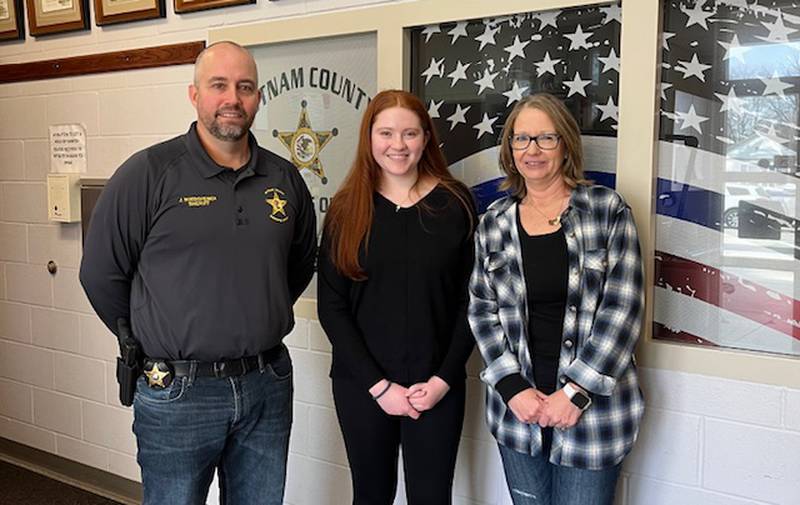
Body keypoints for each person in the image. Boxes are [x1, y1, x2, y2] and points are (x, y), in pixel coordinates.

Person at [79, 41, 316, 505]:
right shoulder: (148, 173)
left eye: (245, 87)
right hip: (178, 395)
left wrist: (254, 310)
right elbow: (101, 274)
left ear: (258, 97)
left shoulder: (285, 180)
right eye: (219, 85)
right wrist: (146, 333)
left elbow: (299, 263)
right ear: (194, 96)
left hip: (266, 386)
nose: (233, 98)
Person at [468, 93, 644, 505]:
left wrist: (576, 393)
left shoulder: (606, 211)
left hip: (592, 416)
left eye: (546, 138)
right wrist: (512, 387)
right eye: (521, 139)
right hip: (518, 413)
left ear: (565, 144)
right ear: (509, 150)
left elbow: (623, 310)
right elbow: (481, 309)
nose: (532, 150)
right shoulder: (493, 222)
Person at [317, 89, 476, 504]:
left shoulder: (456, 203)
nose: (398, 145)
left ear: (426, 138)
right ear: (369, 138)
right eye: (386, 132)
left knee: (431, 497)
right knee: (370, 496)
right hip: (363, 387)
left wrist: (442, 380)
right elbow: (332, 307)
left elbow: (472, 302)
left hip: (437, 386)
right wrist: (379, 386)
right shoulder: (345, 209)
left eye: (409, 133)